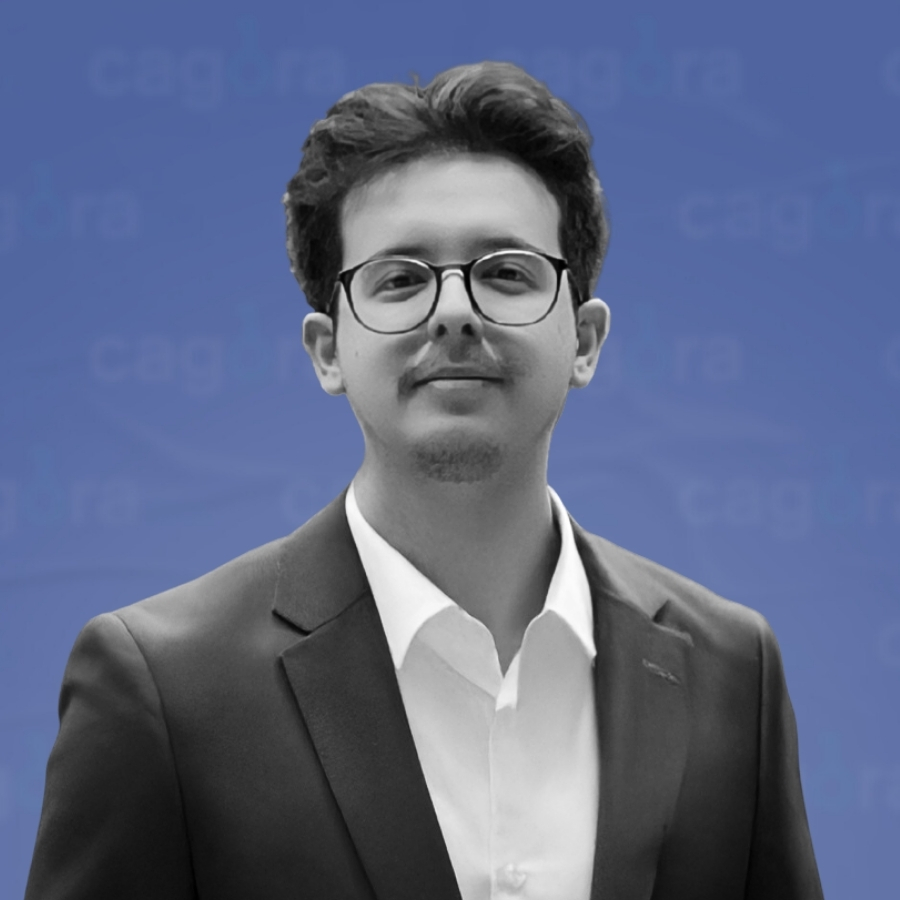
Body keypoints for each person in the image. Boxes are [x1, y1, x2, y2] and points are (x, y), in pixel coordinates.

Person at [24, 62, 823, 900]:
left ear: (585, 341)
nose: (454, 312)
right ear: (328, 351)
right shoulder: (164, 685)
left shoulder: (733, 668)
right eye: (401, 279)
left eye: (505, 272)